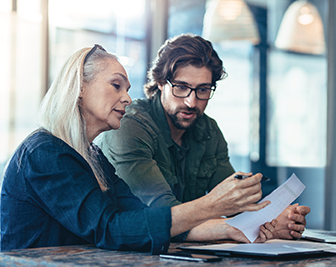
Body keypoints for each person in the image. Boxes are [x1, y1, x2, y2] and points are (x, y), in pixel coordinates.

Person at [0, 44, 276, 254]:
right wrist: (211, 205)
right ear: (80, 87)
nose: (127, 98)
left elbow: (141, 219)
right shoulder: (45, 153)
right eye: (116, 85)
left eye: (128, 88)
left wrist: (235, 229)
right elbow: (111, 229)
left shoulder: (92, 156)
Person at [98, 33, 310, 240]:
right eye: (181, 87)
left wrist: (274, 220)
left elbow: (238, 206)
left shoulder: (208, 130)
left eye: (203, 89)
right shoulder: (129, 126)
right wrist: (232, 225)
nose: (191, 102)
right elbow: (162, 215)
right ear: (161, 82)